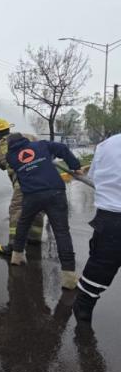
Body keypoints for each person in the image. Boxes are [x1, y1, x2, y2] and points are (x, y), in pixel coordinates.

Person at [5, 133, 83, 290]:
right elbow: (61, 148)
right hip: (55, 192)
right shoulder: (40, 145)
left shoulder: (11, 157)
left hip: (31, 196)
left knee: (23, 224)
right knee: (62, 232)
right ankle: (68, 277)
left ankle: (17, 256)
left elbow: (23, 163)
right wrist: (75, 165)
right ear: (24, 139)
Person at [73, 133, 121, 324]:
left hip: (111, 219)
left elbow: (95, 177)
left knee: (100, 267)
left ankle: (83, 310)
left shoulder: (107, 144)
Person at [0, 118, 44, 255]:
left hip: (23, 182)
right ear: (8, 129)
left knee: (17, 210)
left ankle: (13, 245)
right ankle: (34, 238)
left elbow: (2, 166)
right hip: (42, 178)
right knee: (37, 208)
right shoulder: (29, 137)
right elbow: (44, 150)